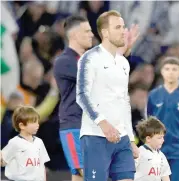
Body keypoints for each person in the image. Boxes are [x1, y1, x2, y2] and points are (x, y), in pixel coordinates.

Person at [76, 10, 139, 181]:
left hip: (122, 138)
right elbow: (81, 95)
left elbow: (124, 102)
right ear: (105, 32)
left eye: (124, 27)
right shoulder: (89, 58)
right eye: (118, 27)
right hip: (95, 136)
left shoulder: (123, 63)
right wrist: (102, 122)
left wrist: (131, 138)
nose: (123, 31)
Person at [53, 15, 93, 181]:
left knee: (81, 176)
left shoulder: (88, 59)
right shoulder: (65, 61)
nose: (92, 34)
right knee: (86, 174)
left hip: (90, 125)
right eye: (87, 31)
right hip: (75, 125)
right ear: (75, 35)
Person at [146, 57, 179, 181]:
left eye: (174, 69)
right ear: (161, 71)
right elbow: (147, 121)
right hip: (157, 149)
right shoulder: (153, 95)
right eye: (167, 69)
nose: (171, 72)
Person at [0, 106, 50, 181]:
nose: (37, 125)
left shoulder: (39, 142)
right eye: (33, 122)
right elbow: (3, 162)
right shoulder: (14, 143)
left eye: (37, 121)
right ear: (22, 125)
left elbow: (42, 166)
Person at [134, 116, 171, 181]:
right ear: (148, 139)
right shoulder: (139, 153)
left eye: (163, 137)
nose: (163, 140)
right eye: (159, 138)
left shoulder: (161, 156)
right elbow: (129, 173)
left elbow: (165, 176)